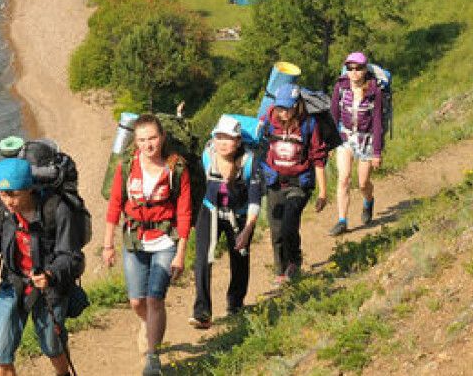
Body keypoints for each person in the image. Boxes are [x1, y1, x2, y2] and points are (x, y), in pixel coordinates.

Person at [0, 157, 81, 376]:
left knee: (53, 346)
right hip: (13, 283)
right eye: (3, 194)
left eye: (13, 194)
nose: (8, 201)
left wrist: (51, 273)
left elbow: (70, 256)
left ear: (29, 188)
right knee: (0, 353)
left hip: (49, 287)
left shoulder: (57, 209)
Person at [101, 114, 192, 376]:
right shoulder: (127, 167)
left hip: (165, 241)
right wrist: (108, 245)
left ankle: (153, 356)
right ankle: (148, 324)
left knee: (154, 298)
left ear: (162, 137)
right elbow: (115, 205)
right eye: (142, 140)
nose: (148, 145)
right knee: (136, 301)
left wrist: (181, 254)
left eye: (152, 138)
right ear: (135, 142)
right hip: (134, 239)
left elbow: (184, 213)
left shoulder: (177, 168)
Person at [190, 115, 263, 329]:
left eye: (228, 138)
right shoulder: (207, 155)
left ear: (238, 141)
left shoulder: (249, 162)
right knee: (203, 258)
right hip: (209, 210)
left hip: (240, 214)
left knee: (240, 258)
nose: (222, 142)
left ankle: (235, 303)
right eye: (218, 137)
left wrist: (247, 230)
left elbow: (255, 199)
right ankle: (202, 311)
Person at [259, 84, 329, 286]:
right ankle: (281, 271)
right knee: (276, 230)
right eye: (280, 108)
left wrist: (323, 192)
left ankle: (295, 263)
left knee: (289, 223)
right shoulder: (269, 119)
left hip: (299, 183)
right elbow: (256, 142)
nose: (283, 113)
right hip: (275, 181)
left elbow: (318, 157)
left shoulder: (309, 124)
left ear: (297, 105)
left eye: (287, 108)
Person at [328, 51, 385, 236]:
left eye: (358, 68)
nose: (353, 72)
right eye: (350, 68)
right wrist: (329, 143)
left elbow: (377, 122)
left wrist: (377, 152)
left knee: (363, 183)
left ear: (365, 69)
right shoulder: (340, 86)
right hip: (345, 138)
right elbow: (333, 114)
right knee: (343, 179)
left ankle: (368, 201)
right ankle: (342, 220)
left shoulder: (374, 91)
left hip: (366, 139)